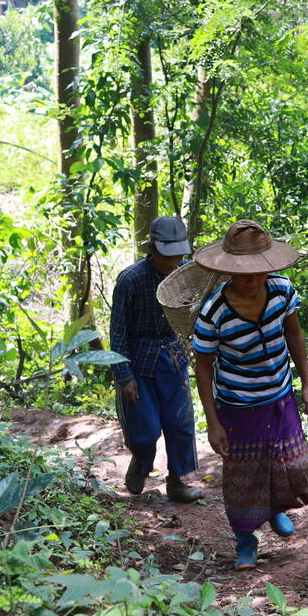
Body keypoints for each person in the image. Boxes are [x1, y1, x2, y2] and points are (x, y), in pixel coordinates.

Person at [192, 219, 308, 570]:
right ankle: (246, 540)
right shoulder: (213, 312)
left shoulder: (282, 290)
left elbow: (295, 335)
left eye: (259, 273)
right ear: (229, 271)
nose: (253, 281)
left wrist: (306, 383)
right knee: (243, 475)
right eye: (244, 275)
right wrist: (212, 423)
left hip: (279, 396)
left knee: (291, 463)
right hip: (237, 405)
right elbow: (203, 368)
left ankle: (276, 509)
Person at [109, 215, 203, 502]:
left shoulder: (185, 275)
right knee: (145, 429)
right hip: (140, 363)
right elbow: (118, 332)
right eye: (167, 255)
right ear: (151, 248)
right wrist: (124, 377)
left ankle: (177, 481)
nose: (172, 262)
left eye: (177, 255)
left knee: (181, 424)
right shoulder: (131, 280)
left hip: (173, 359)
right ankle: (141, 461)